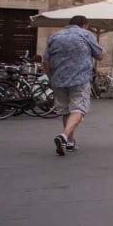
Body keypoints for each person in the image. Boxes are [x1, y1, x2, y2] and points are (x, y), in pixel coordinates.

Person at [43, 14, 103, 156]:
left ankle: (70, 142)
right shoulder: (86, 35)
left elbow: (45, 60)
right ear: (84, 24)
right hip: (79, 78)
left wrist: (51, 77)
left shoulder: (54, 36)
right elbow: (100, 55)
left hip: (58, 78)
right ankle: (64, 136)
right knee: (78, 108)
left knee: (65, 110)